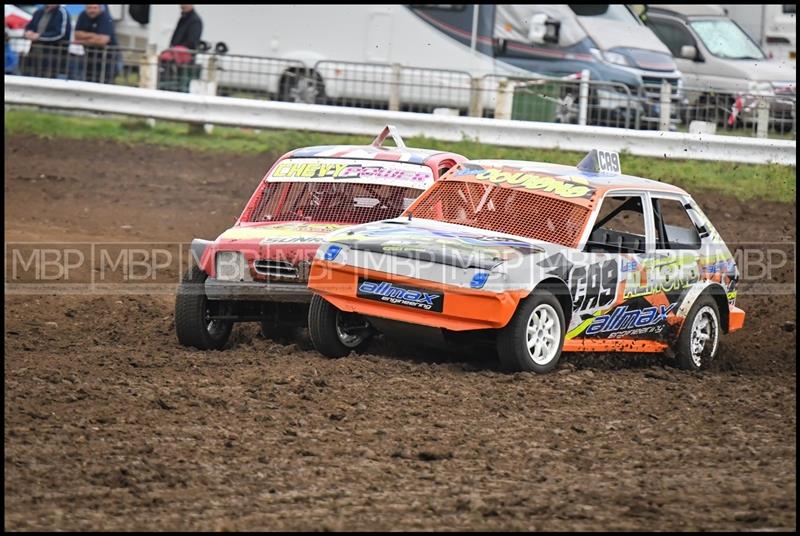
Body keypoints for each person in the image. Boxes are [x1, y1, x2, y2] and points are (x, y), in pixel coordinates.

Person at [22, 4, 71, 78]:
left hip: (53, 56)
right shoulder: (38, 12)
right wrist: (28, 32)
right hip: (34, 53)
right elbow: (30, 26)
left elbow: (61, 34)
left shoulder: (62, 13)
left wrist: (39, 37)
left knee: (50, 79)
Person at [73, 4, 118, 83]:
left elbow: (103, 41)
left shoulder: (106, 17)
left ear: (100, 8)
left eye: (95, 8)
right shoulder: (83, 15)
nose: (92, 10)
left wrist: (83, 40)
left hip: (108, 57)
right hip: (90, 56)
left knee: (106, 82)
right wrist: (94, 36)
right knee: (89, 80)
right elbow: (77, 35)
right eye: (89, 8)